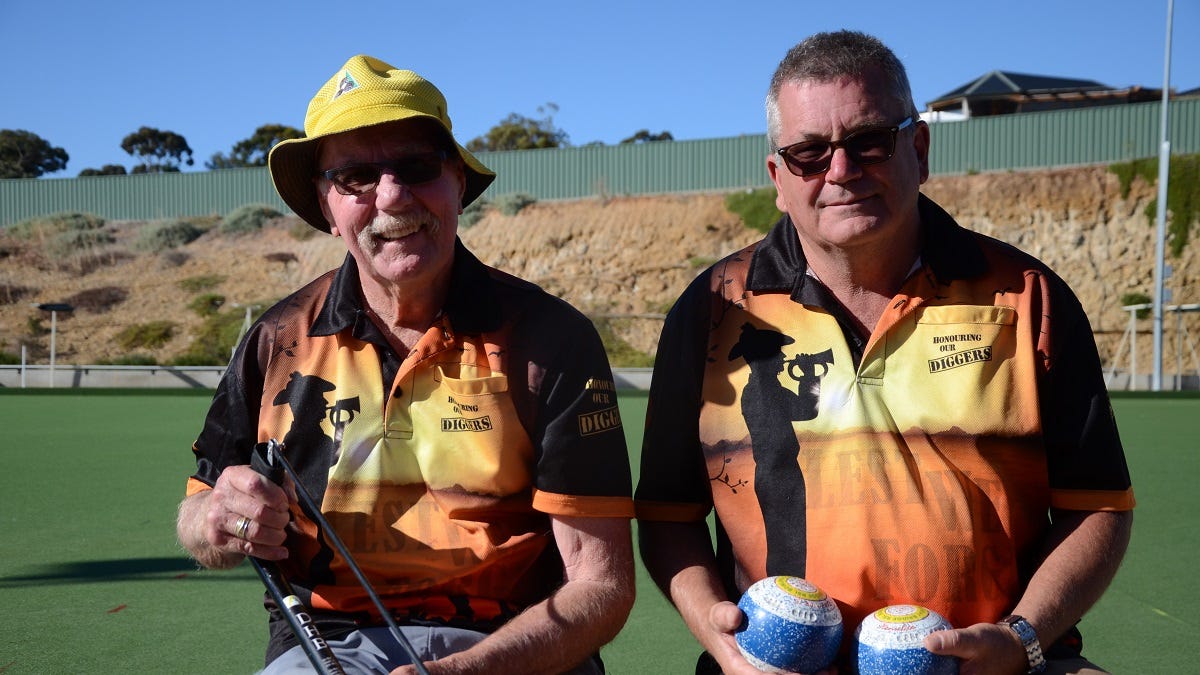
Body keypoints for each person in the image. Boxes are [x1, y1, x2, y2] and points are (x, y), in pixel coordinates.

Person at [635, 30, 1134, 675]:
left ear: (918, 149)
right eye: (809, 153)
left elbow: (1097, 503)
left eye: (869, 142)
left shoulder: (1027, 295)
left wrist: (1021, 640)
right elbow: (667, 514)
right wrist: (716, 629)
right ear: (778, 178)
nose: (841, 171)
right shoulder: (712, 309)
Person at [175, 55, 635, 675]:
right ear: (327, 206)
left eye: (417, 166)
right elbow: (200, 514)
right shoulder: (276, 340)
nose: (392, 196)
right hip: (331, 644)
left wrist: (465, 672)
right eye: (356, 176)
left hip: (516, 649)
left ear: (457, 184)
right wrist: (216, 518)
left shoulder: (553, 339)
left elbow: (602, 585)